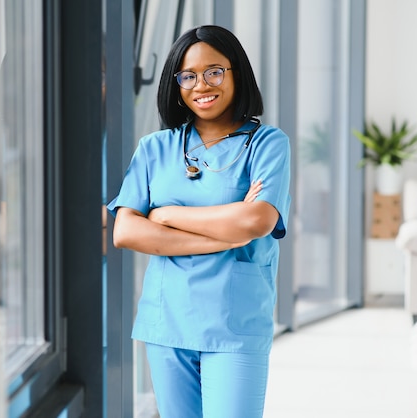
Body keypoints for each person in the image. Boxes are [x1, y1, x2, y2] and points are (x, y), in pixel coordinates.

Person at [107, 25, 291, 418]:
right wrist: (225, 232)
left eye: (214, 71)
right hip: (166, 322)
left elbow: (256, 221)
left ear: (235, 73)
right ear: (176, 85)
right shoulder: (155, 148)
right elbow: (125, 231)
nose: (201, 84)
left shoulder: (267, 144)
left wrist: (167, 216)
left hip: (234, 321)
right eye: (188, 75)